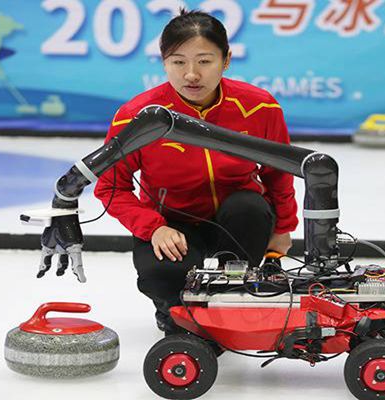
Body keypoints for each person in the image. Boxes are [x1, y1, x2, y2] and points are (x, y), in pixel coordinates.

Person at [94, 9, 298, 334]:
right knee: (162, 273)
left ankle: (232, 298)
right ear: (164, 62)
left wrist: (284, 227)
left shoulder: (259, 108)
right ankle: (173, 311)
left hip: (237, 221)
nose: (191, 74)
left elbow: (278, 173)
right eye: (178, 62)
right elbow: (110, 187)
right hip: (172, 223)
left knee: (249, 207)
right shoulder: (138, 117)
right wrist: (153, 228)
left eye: (204, 61)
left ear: (226, 60)